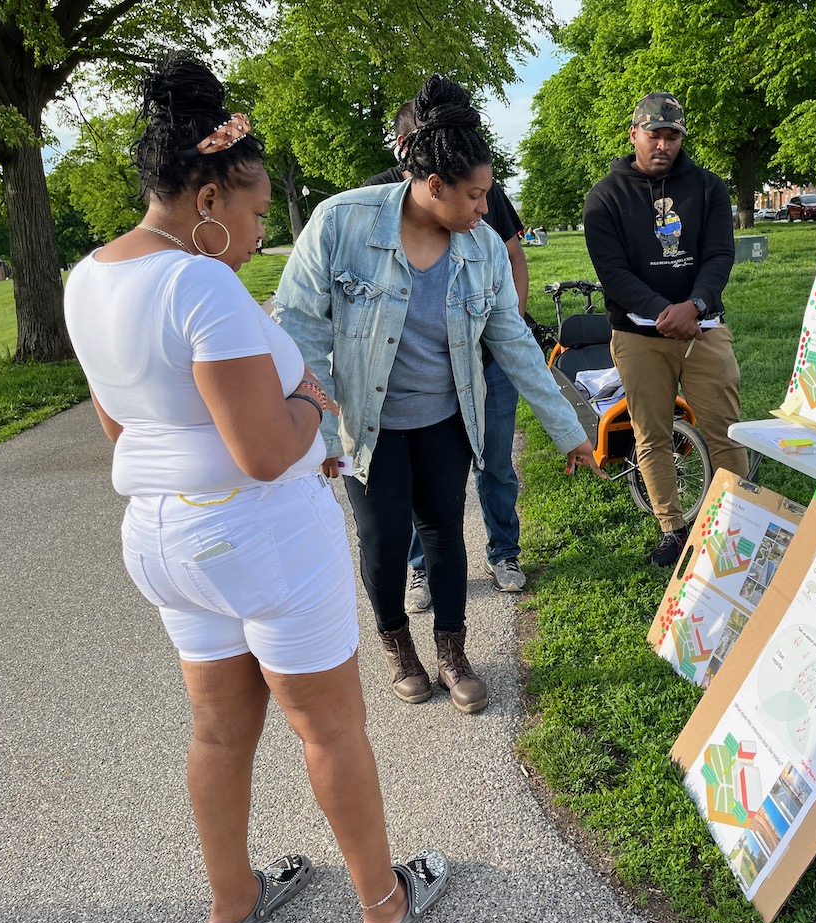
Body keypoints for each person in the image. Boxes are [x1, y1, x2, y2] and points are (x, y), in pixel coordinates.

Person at [62, 56, 447, 923]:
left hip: (162, 536)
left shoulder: (90, 278)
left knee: (217, 731)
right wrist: (310, 397)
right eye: (257, 209)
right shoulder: (199, 284)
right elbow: (268, 452)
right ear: (208, 198)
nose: (260, 230)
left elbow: (122, 425)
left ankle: (232, 905)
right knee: (330, 726)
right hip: (259, 533)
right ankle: (383, 904)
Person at [276, 74, 602, 715]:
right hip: (368, 426)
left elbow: (514, 342)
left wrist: (569, 429)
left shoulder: (483, 250)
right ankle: (398, 646)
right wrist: (319, 433)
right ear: (433, 185)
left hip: (445, 419)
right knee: (383, 541)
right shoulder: (341, 223)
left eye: (488, 194)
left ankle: (453, 653)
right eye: (476, 196)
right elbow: (300, 330)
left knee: (446, 533)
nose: (485, 209)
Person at [361, 100, 531, 608]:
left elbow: (511, 254)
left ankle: (504, 552)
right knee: (423, 488)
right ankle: (421, 570)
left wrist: (505, 326)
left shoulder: (474, 185)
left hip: (486, 362)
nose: (481, 206)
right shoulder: (370, 201)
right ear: (407, 151)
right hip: (417, 381)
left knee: (494, 463)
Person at [582, 91, 749, 566]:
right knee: (651, 434)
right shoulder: (605, 197)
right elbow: (613, 273)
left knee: (726, 431)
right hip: (638, 337)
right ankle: (672, 529)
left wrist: (694, 306)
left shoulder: (708, 187)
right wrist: (664, 312)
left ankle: (736, 523)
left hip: (704, 330)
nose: (663, 145)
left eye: (672, 136)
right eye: (654, 134)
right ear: (634, 133)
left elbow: (720, 254)